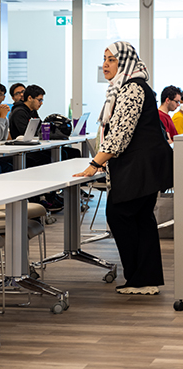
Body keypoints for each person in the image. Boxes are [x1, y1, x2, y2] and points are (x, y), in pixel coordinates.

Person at [74, 41, 173, 295]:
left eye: (111, 60)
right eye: (104, 59)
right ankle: (143, 279)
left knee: (120, 215)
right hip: (142, 165)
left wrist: (96, 162)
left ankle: (140, 278)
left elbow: (120, 133)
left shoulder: (131, 89)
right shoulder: (127, 87)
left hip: (140, 166)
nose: (105, 65)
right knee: (140, 218)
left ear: (125, 62)